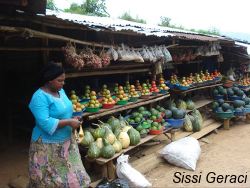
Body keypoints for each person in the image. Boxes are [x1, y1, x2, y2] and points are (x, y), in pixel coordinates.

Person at [28, 62, 91, 187]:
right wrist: (69, 122)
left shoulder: (60, 91)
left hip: (67, 142)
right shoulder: (39, 97)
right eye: (60, 80)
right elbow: (45, 123)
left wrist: (72, 117)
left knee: (73, 175)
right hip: (47, 146)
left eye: (64, 80)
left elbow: (65, 110)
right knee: (47, 179)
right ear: (49, 80)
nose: (63, 83)